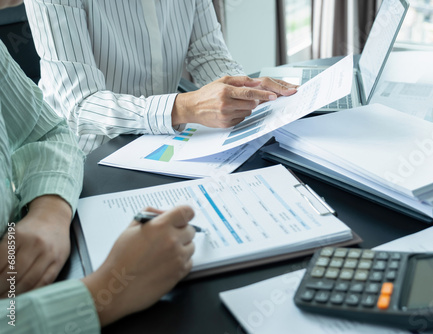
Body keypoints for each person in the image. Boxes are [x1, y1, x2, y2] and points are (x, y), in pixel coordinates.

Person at [0, 2, 196, 332]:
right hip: (100, 159)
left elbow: (46, 130)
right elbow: (77, 107)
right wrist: (100, 296)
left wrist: (50, 212)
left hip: (61, 229)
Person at [24, 0, 298, 154]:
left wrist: (244, 91)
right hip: (85, 155)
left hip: (165, 141)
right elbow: (81, 106)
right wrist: (184, 107)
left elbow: (207, 53)